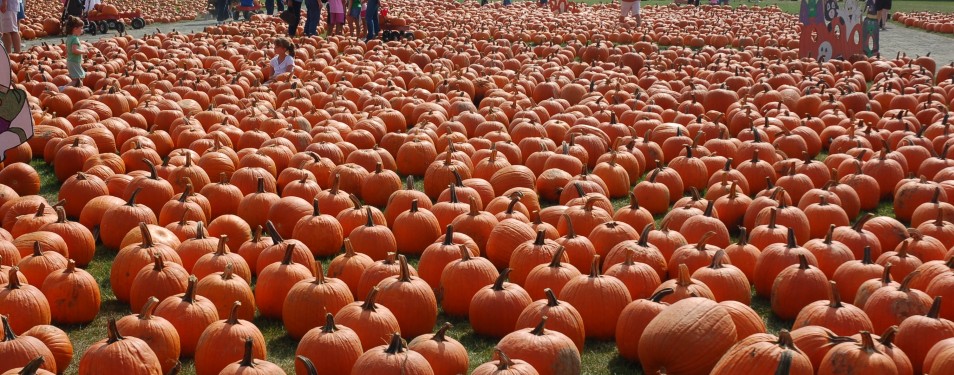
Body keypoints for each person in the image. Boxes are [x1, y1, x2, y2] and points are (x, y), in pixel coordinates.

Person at [62, 16, 86, 89]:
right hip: (74, 62)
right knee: (77, 80)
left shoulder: (69, 37)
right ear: (75, 29)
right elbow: (74, 50)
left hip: (71, 61)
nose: (82, 30)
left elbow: (68, 49)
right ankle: (63, 89)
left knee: (79, 78)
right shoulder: (75, 39)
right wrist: (84, 51)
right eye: (81, 28)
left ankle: (78, 90)